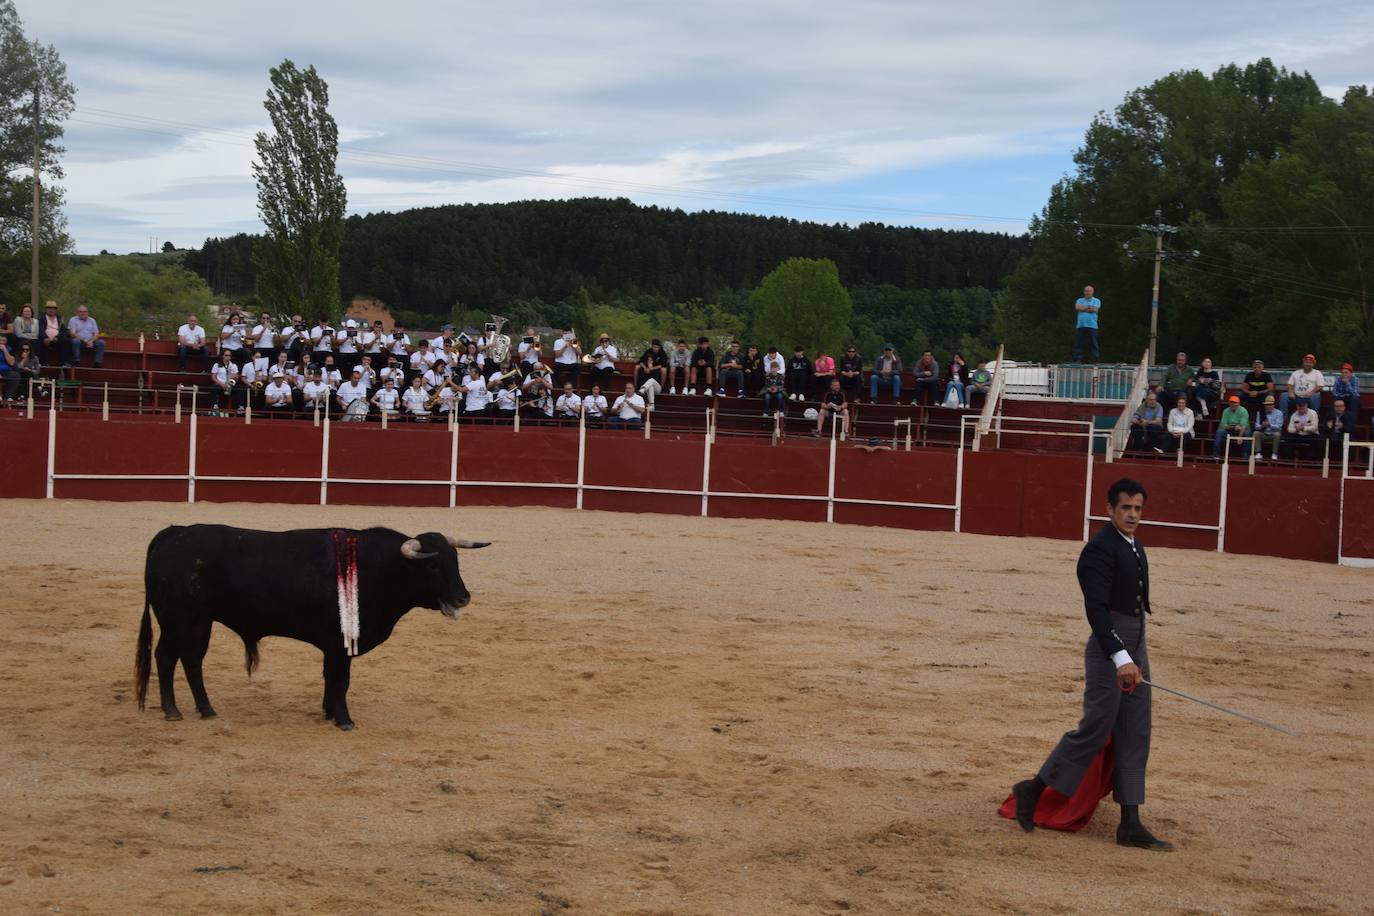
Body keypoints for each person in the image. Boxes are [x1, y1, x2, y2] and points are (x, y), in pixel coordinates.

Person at [1008, 478, 1171, 850]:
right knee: (1097, 726)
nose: (1132, 514)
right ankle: (1033, 789)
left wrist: (1135, 653)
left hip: (1135, 641)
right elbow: (1097, 610)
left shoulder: (1134, 545)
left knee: (1136, 729)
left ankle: (1130, 822)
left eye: (1138, 508)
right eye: (1126, 507)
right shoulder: (1098, 549)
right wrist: (1121, 657)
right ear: (1110, 509)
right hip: (1108, 647)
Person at [67, 304, 105, 369]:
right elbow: (72, 334)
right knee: (75, 341)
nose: (83, 313)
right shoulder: (73, 319)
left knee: (101, 342)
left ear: (87, 312)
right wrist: (85, 340)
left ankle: (97, 363)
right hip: (80, 342)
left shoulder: (92, 320)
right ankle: (77, 361)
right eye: (81, 312)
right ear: (77, 313)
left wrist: (91, 341)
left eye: (85, 311)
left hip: (90, 341)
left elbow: (96, 333)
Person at [1073, 285, 1101, 362]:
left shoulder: (1097, 300)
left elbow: (1095, 309)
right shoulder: (1079, 300)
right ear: (1084, 292)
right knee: (1079, 343)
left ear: (1093, 292)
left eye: (1089, 291)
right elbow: (1078, 307)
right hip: (1081, 325)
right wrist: (1089, 308)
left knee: (1093, 344)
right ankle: (1077, 360)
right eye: (1086, 291)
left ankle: (1095, 360)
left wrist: (1084, 308)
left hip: (1092, 325)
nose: (1087, 293)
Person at [37, 301, 67, 367]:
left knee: (65, 341)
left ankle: (64, 363)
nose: (51, 310)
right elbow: (40, 329)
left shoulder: (60, 318)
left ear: (56, 310)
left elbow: (63, 330)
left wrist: (57, 337)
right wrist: (45, 337)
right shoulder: (42, 318)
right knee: (40, 342)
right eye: (49, 308)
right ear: (46, 309)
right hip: (46, 338)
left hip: (56, 339)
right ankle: (44, 363)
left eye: (53, 308)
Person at [1255, 395, 1284, 460]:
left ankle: (1274, 454)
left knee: (1277, 434)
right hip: (1264, 433)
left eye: (1270, 404)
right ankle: (1258, 453)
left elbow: (1279, 427)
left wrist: (1269, 425)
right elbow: (1256, 426)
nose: (1269, 406)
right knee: (1256, 433)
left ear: (1274, 405)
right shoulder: (1260, 412)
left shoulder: (1279, 413)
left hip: (1273, 433)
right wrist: (1262, 426)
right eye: (1267, 404)